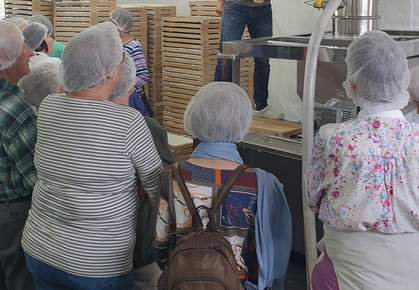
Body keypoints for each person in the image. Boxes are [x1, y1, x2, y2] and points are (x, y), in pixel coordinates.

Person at [22, 21, 163, 290]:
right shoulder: (129, 122)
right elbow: (159, 191)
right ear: (111, 73)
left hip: (40, 248)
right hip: (97, 263)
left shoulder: (50, 106)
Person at [306, 30, 419, 290]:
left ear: (353, 84)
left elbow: (313, 199)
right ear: (403, 80)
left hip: (347, 271)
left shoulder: (334, 138)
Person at [155, 82, 292, 289]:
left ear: (193, 118)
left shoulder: (170, 175)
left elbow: (160, 246)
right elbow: (275, 258)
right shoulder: (262, 183)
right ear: (243, 125)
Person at [110, 54, 173, 290]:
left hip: (100, 247)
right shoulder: (146, 127)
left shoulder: (86, 124)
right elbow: (162, 186)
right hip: (142, 245)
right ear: (130, 83)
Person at [0, 20, 36, 290]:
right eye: (24, 45)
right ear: (7, 58)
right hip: (13, 215)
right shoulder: (15, 111)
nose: (31, 52)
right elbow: (36, 179)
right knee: (19, 279)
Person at [110, 7, 152, 117]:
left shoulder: (134, 47)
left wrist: (125, 86)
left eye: (112, 23)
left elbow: (144, 76)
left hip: (130, 99)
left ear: (119, 26)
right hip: (115, 97)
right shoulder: (115, 44)